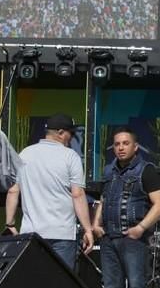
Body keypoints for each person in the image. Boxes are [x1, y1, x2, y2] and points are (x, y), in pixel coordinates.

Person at [92, 127, 160, 288]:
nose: (120, 148)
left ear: (135, 147)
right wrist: (96, 224)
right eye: (117, 144)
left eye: (125, 143)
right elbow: (103, 198)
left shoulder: (146, 170)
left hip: (132, 239)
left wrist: (141, 228)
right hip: (108, 239)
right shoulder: (109, 171)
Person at [5, 113, 94, 269]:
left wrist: (10, 223)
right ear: (60, 133)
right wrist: (88, 229)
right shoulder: (71, 157)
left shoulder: (25, 154)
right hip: (62, 234)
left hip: (31, 234)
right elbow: (78, 194)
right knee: (60, 285)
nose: (71, 138)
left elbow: (13, 191)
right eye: (70, 133)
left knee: (33, 285)